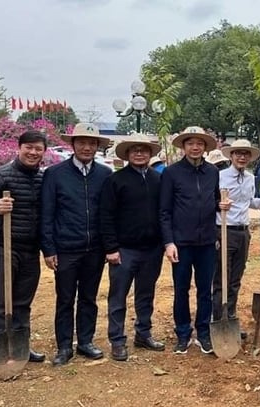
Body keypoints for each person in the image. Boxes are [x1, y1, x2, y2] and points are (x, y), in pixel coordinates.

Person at [0, 130, 48, 365]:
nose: (33, 152)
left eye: (38, 148)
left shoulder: (43, 179)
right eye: (29, 147)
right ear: (19, 147)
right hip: (0, 247)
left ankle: (19, 347)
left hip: (29, 250)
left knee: (22, 303)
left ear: (44, 152)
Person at [40, 123, 112, 366]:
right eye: (82, 142)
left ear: (97, 147)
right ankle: (63, 346)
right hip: (66, 248)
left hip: (95, 248)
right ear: (73, 144)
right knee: (65, 298)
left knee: (89, 298)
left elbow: (108, 212)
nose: (87, 147)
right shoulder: (55, 173)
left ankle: (85, 341)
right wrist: (48, 249)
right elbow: (47, 214)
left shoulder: (104, 174)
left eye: (92, 143)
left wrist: (108, 244)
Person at [160, 126, 230, 355]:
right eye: (190, 143)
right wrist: (168, 242)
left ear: (205, 147)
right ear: (183, 146)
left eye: (199, 143)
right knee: (181, 289)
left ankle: (203, 332)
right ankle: (182, 333)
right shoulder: (172, 173)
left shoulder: (212, 172)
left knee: (204, 290)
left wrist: (221, 207)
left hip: (207, 242)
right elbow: (164, 211)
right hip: (181, 243)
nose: (195, 147)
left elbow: (214, 200)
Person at [100, 135, 164, 362]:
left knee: (146, 294)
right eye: (134, 150)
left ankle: (143, 333)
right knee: (118, 296)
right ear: (127, 154)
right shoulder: (116, 180)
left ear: (150, 154)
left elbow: (164, 213)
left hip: (152, 249)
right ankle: (117, 340)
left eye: (144, 150)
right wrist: (111, 248)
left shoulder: (158, 179)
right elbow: (105, 216)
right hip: (124, 249)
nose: (139, 153)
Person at [213, 140, 260, 339]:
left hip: (243, 232)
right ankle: (216, 320)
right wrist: (219, 204)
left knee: (235, 280)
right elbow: (210, 201)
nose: (241, 157)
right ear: (231, 156)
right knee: (221, 279)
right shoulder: (219, 177)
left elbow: (250, 203)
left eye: (245, 154)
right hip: (223, 231)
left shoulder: (250, 178)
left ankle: (230, 318)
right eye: (238, 154)